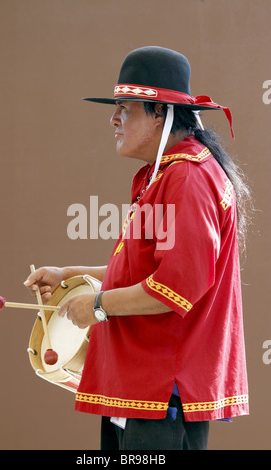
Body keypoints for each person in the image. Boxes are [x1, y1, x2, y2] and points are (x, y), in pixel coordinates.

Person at [24, 47, 251, 450]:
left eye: (125, 109)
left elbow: (177, 287)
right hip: (142, 391)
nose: (114, 118)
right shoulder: (168, 174)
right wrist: (70, 276)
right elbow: (144, 273)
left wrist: (97, 305)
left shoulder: (188, 179)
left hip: (165, 394)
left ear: (160, 114)